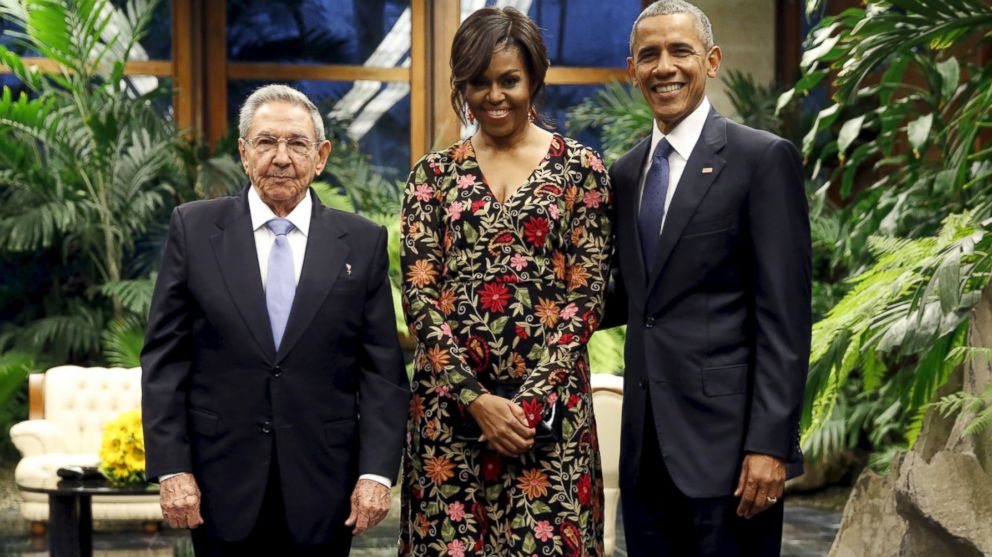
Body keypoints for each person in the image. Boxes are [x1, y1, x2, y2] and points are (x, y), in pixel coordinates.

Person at [141, 84, 411, 556]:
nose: (281, 157)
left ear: (321, 156)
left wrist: (375, 474)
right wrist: (171, 469)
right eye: (266, 142)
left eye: (297, 143)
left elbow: (382, 374)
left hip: (325, 488)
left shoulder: (362, 243)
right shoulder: (195, 229)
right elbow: (165, 360)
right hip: (218, 485)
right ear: (244, 154)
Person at [398, 7, 612, 556]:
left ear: (534, 80)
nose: (493, 95)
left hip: (549, 426)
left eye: (508, 80)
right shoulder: (432, 177)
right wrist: (476, 400)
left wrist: (527, 406)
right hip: (449, 421)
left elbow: (585, 296)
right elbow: (421, 297)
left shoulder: (581, 172)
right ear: (462, 86)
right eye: (479, 82)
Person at [603, 1, 811, 555]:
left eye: (680, 51)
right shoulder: (624, 173)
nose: (663, 66)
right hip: (647, 459)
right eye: (649, 55)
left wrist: (770, 446)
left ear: (712, 61)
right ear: (632, 69)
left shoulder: (761, 159)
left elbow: (784, 320)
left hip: (732, 460)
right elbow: (631, 295)